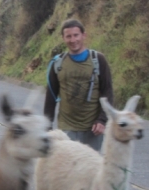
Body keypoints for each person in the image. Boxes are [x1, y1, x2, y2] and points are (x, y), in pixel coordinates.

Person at [43, 18, 114, 153]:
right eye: (68, 36)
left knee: (91, 170)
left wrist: (102, 120)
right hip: (66, 128)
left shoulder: (98, 60)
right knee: (67, 169)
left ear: (83, 35)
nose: (73, 40)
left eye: (76, 35)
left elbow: (107, 91)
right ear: (63, 38)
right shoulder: (57, 63)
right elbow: (51, 97)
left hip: (93, 128)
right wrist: (47, 126)